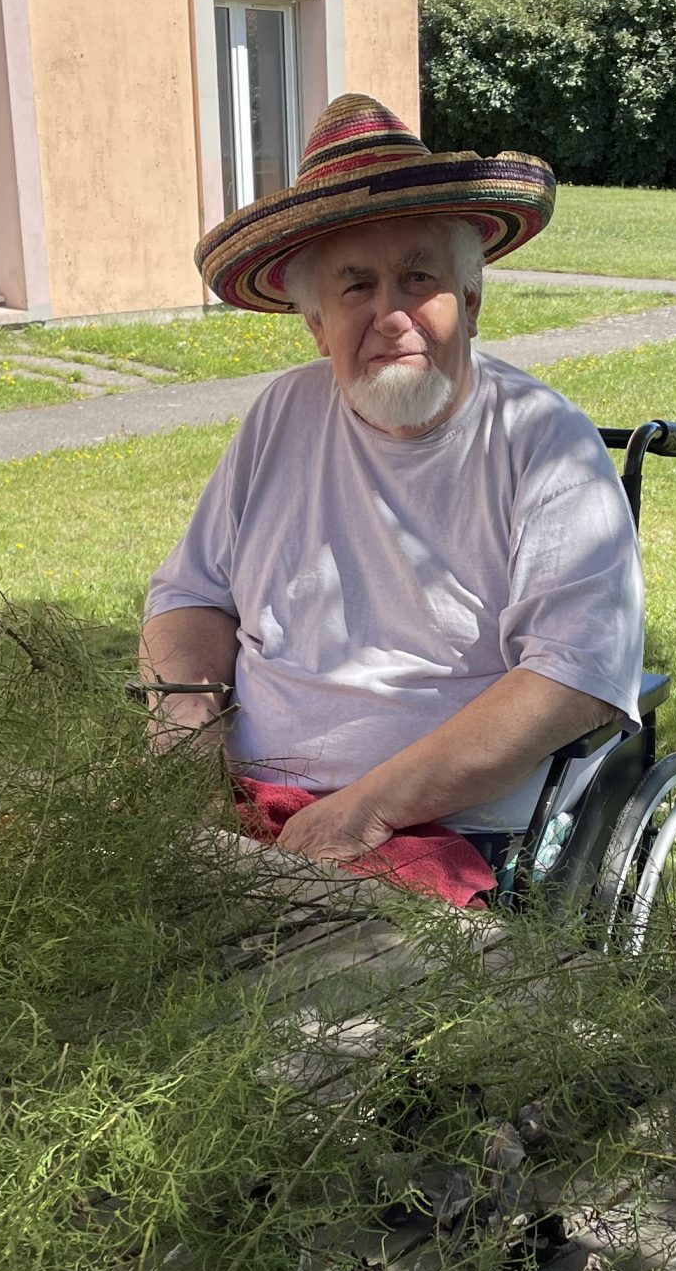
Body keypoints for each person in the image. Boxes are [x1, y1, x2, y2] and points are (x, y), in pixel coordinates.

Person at [140, 95, 642, 884]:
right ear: (316, 325)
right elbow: (192, 595)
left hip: (440, 829)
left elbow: (574, 676)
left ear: (469, 302)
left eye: (418, 278)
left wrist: (363, 811)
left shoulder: (545, 443)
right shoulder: (282, 414)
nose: (391, 315)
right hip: (244, 805)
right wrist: (185, 727)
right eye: (355, 287)